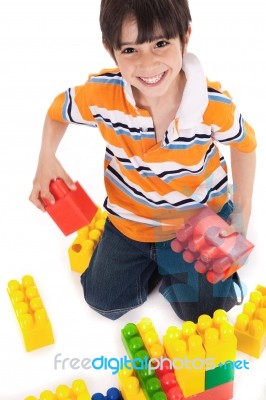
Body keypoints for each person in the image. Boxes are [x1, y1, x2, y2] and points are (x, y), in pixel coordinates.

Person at [29, 0, 256, 322]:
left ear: (185, 37)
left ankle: (174, 266)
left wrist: (242, 213)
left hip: (194, 221)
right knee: (103, 303)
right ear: (111, 50)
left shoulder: (213, 105)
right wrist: (45, 159)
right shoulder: (101, 94)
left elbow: (245, 145)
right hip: (130, 221)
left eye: (161, 44)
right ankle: (161, 266)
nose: (148, 65)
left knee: (208, 313)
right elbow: (57, 111)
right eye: (130, 50)